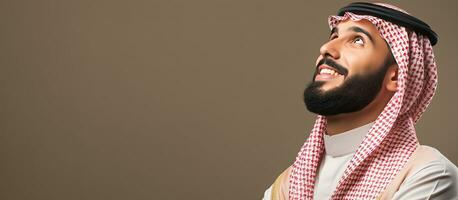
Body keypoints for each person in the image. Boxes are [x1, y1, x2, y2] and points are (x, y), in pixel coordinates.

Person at [263, 2, 458, 200]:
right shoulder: (286, 185)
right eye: (334, 36)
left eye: (357, 40)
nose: (326, 48)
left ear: (396, 77)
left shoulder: (428, 174)